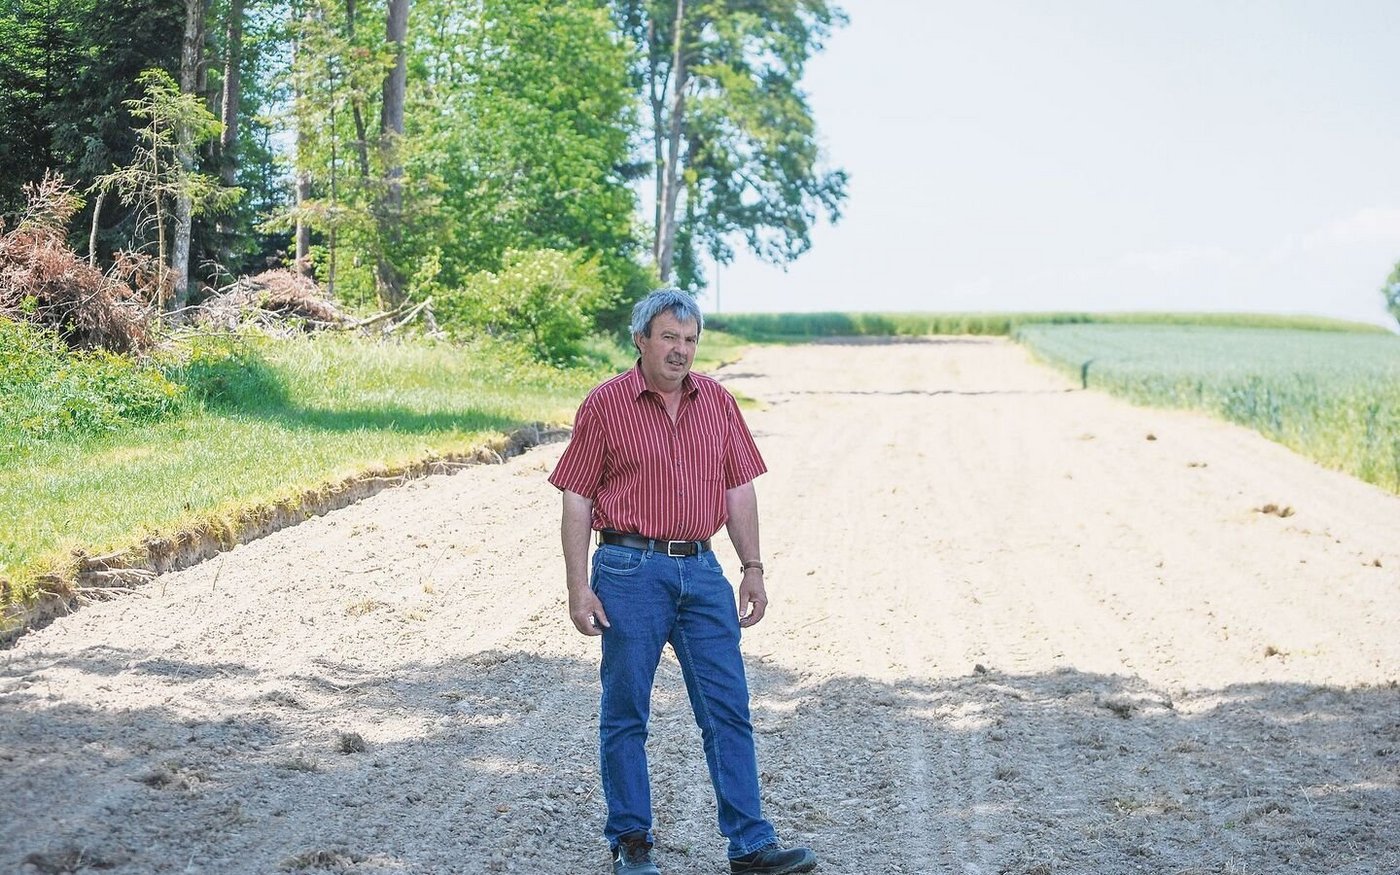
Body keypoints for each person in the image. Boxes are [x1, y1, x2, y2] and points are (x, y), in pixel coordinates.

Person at [549, 289, 818, 875]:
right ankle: (632, 843)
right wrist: (578, 587)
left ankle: (750, 846)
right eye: (669, 337)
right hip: (627, 571)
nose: (681, 351)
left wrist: (752, 568)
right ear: (641, 339)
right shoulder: (605, 405)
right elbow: (577, 496)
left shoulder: (718, 402)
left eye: (690, 340)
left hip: (702, 569)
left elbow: (738, 487)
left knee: (728, 709)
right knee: (626, 712)